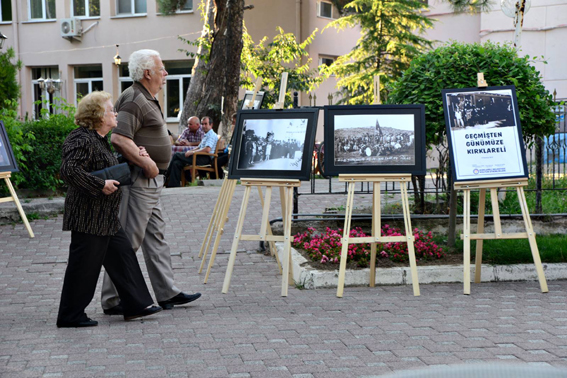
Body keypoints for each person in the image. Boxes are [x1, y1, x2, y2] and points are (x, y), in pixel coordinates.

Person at [101, 49, 201, 314]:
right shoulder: (134, 97)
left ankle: (167, 293)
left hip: (152, 182)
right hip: (139, 181)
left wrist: (166, 138)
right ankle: (113, 300)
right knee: (128, 240)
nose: (165, 74)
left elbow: (143, 130)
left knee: (156, 237)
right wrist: (148, 164)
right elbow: (119, 138)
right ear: (147, 73)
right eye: (161, 69)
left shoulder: (147, 97)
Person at [56, 91, 162, 328]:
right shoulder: (80, 138)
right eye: (111, 110)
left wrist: (136, 158)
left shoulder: (97, 139)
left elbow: (101, 164)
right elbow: (69, 171)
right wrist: (99, 184)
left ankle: (135, 306)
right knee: (83, 266)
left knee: (123, 256)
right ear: (98, 115)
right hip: (88, 216)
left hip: (105, 217)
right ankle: (70, 316)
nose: (115, 113)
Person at [166, 116, 218, 187]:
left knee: (176, 155)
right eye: (202, 124)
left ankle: (165, 176)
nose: (203, 126)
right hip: (199, 156)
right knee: (176, 163)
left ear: (211, 125)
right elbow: (199, 147)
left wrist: (192, 152)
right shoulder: (206, 134)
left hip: (205, 158)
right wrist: (191, 150)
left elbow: (207, 149)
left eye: (206, 124)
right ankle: (173, 186)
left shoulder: (211, 135)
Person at [214, 113, 237, 179]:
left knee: (217, 161)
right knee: (213, 158)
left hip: (231, 154)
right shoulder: (234, 131)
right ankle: (217, 176)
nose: (232, 124)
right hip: (226, 151)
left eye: (234, 122)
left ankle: (220, 176)